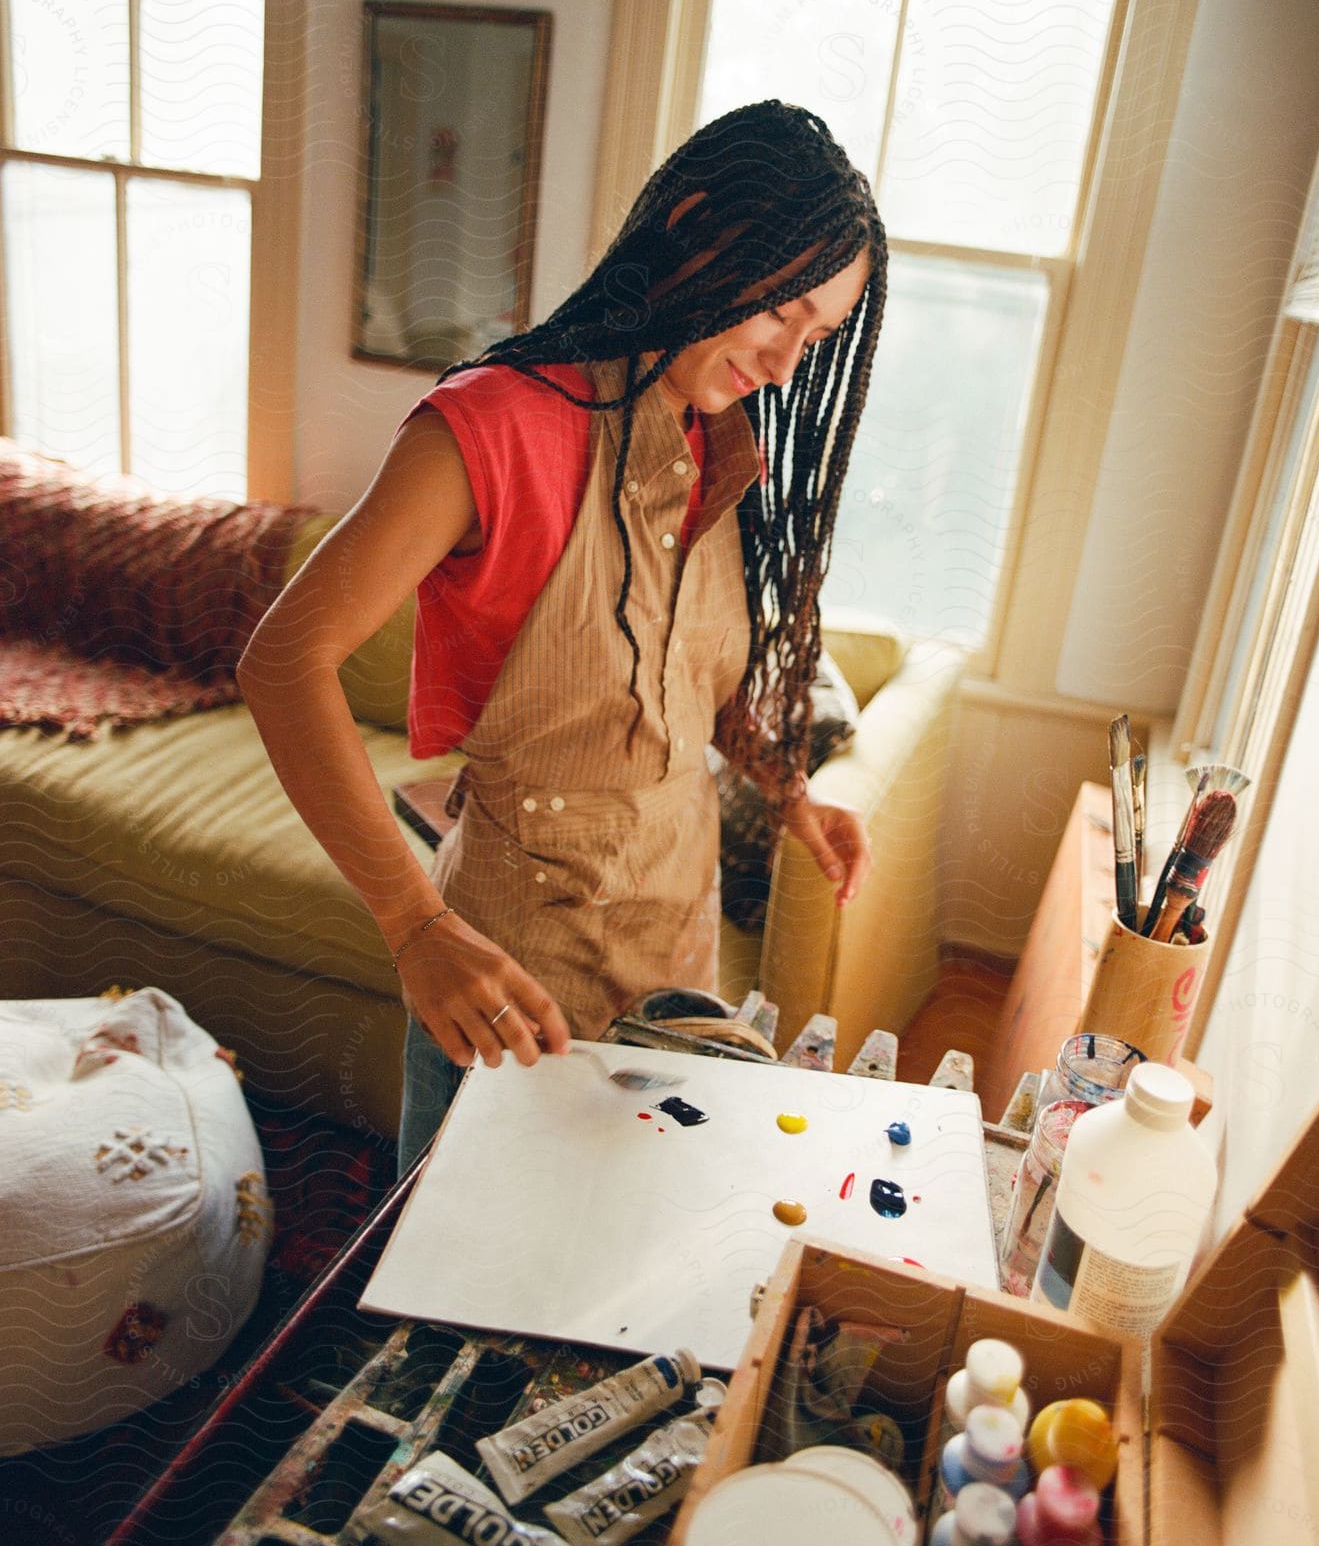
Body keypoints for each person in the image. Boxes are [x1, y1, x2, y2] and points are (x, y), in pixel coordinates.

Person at [238, 99, 888, 1175]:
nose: (784, 365)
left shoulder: (715, 440)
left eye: (815, 339)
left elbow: (687, 678)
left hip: (676, 948)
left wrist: (788, 793)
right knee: (466, 1304)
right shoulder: (490, 427)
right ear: (695, 226)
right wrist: (415, 929)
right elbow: (281, 662)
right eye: (782, 314)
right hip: (514, 982)